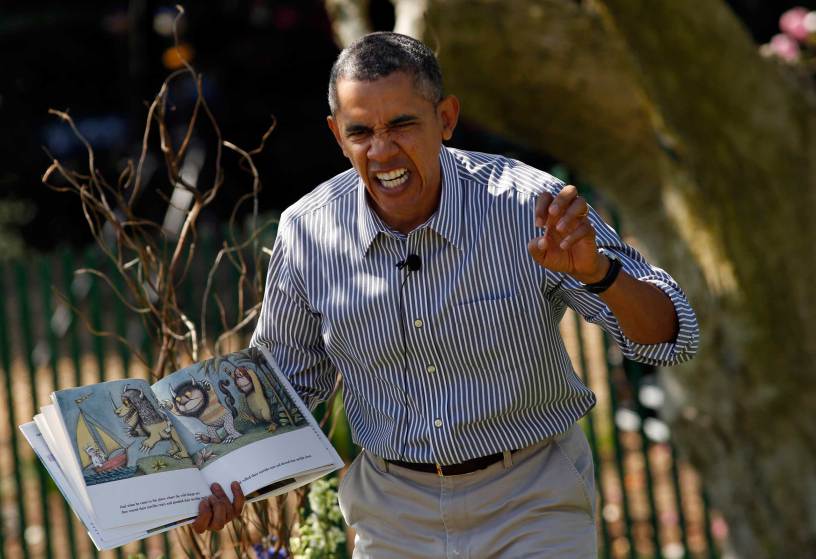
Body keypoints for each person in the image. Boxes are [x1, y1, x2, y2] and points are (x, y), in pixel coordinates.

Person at [192, 32, 699, 558]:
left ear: (446, 119)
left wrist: (600, 273)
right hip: (392, 514)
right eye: (360, 131)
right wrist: (215, 477)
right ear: (337, 136)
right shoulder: (307, 232)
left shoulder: (528, 205)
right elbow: (282, 385)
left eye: (402, 124)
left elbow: (672, 338)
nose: (381, 150)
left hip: (532, 498)